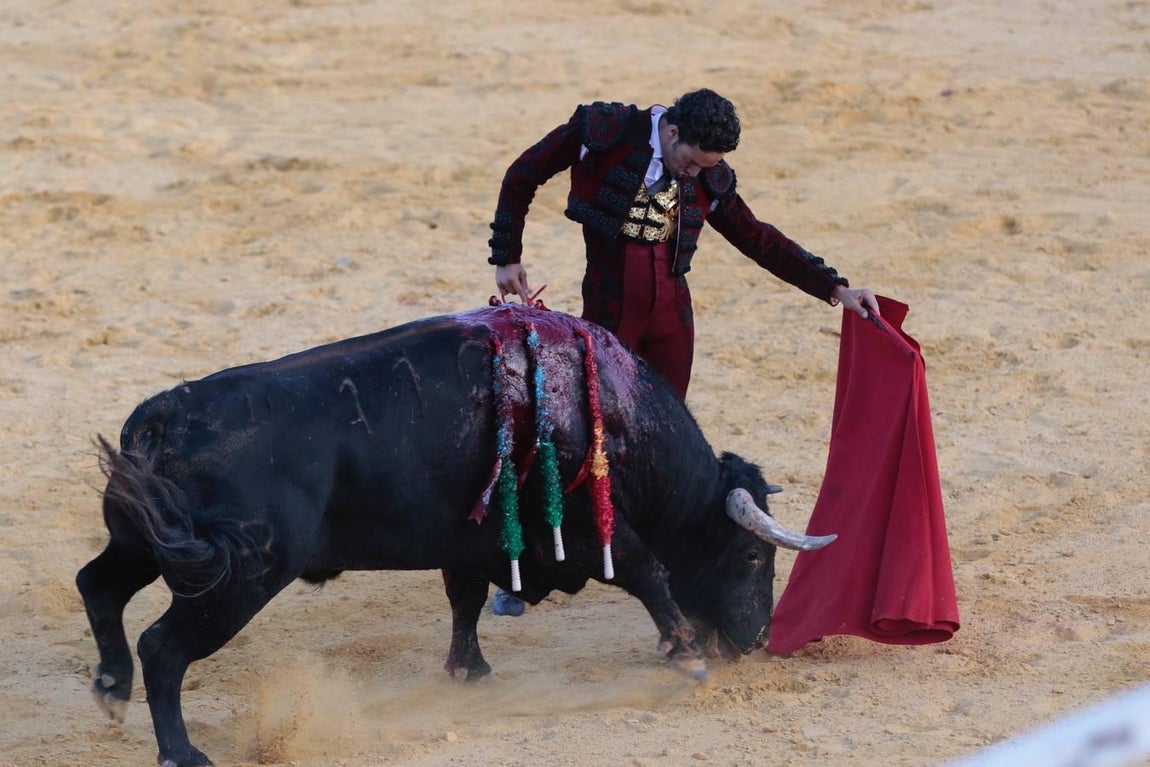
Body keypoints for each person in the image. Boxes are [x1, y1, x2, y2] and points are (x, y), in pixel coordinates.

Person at [485, 88, 880, 616]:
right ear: (671, 132)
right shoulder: (603, 132)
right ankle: (521, 570)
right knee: (574, 440)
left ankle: (659, 562)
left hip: (672, 321)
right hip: (608, 324)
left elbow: (758, 239)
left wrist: (835, 288)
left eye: (705, 167)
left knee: (663, 450)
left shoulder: (707, 174)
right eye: (691, 162)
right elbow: (522, 174)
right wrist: (506, 256)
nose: (694, 175)